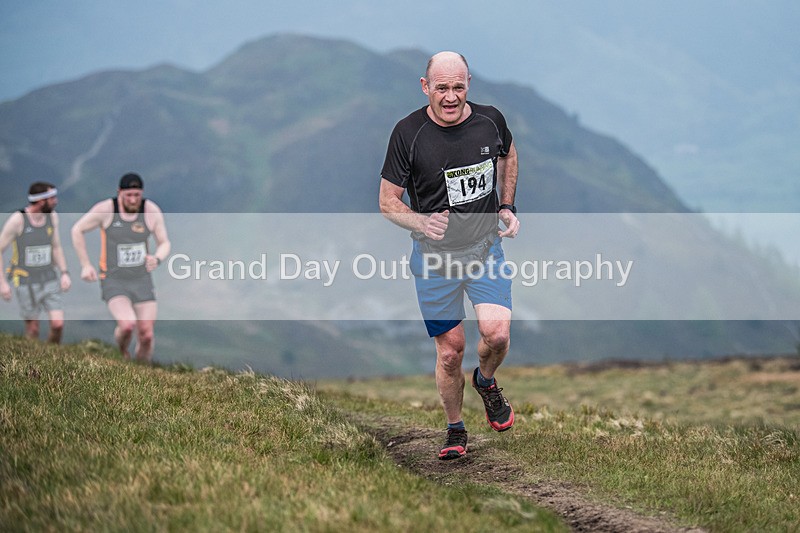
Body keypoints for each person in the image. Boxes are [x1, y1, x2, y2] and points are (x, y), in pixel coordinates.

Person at [379, 51, 521, 460]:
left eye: (458, 87)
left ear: (468, 84)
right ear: (426, 87)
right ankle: (455, 429)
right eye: (441, 88)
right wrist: (421, 222)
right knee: (450, 351)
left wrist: (506, 205)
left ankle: (486, 381)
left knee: (497, 335)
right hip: (434, 260)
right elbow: (387, 202)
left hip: (484, 251)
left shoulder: (490, 120)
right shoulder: (408, 133)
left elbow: (509, 154)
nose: (451, 97)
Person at [71, 173, 170, 363]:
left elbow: (164, 242)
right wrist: (85, 265)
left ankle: (143, 371)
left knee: (146, 334)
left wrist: (157, 258)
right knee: (127, 325)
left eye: (137, 195)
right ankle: (121, 351)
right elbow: (77, 230)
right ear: (119, 193)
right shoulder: (106, 209)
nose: (133, 200)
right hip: (113, 279)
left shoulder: (150, 211)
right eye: (128, 195)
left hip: (142, 279)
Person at [0, 182, 71, 343]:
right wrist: (2, 283)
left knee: (58, 324)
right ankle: (33, 356)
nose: (55, 201)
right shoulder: (18, 220)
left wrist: (64, 273)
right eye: (52, 198)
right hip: (25, 280)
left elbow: (56, 247)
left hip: (48, 277)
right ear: (40, 201)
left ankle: (53, 354)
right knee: (33, 328)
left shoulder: (52, 217)